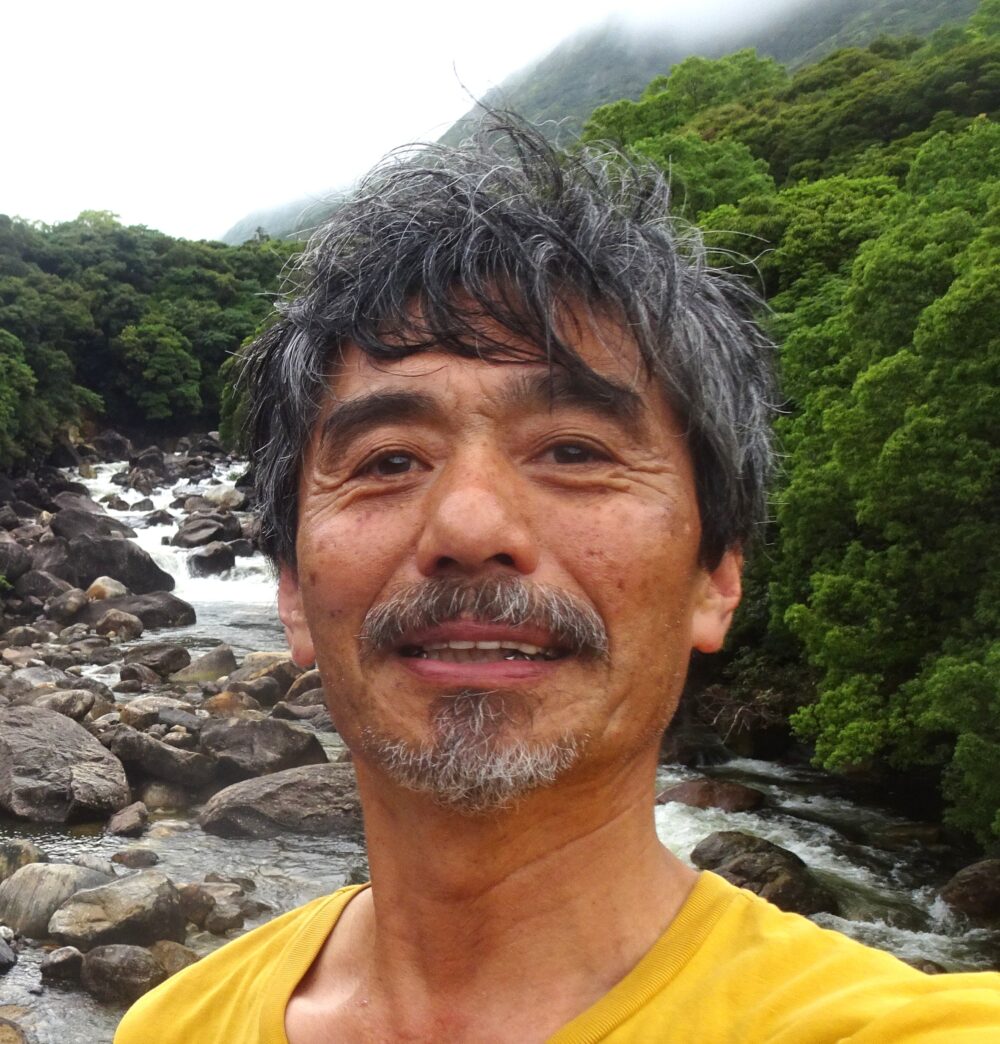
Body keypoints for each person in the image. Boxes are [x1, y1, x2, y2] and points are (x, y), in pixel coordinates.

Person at [116, 118, 1000, 1042]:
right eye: (388, 460)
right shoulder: (172, 1027)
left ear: (716, 576)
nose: (469, 528)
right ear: (293, 593)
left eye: (574, 451)